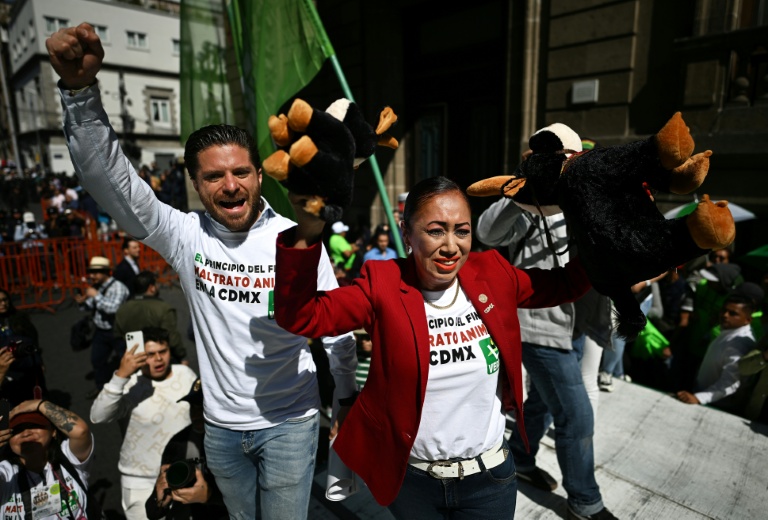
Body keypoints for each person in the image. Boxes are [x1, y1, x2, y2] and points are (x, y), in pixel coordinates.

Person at [48, 23, 356, 519]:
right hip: (219, 428)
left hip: (290, 424)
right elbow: (113, 187)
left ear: (259, 174)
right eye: (214, 176)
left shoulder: (297, 239)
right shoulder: (185, 234)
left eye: (240, 172)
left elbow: (336, 328)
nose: (230, 186)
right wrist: (80, 95)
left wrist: (345, 398)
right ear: (194, 183)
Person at [274, 176, 591, 517]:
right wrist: (306, 232)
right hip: (413, 485)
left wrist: (596, 216)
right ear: (407, 233)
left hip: (489, 483)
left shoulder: (493, 273)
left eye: (462, 230)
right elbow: (302, 317)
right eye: (436, 230)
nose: (452, 245)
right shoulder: (382, 283)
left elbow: (566, 284)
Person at [475, 184, 616, 519]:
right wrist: (523, 190)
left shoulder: (589, 200)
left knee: (541, 401)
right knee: (576, 415)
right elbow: (487, 232)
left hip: (577, 324)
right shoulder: (532, 207)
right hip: (541, 325)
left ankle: (521, 459)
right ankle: (585, 501)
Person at [90, 327, 197, 520]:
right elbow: (98, 416)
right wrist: (120, 376)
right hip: (141, 482)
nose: (158, 359)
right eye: (150, 354)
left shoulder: (185, 374)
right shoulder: (129, 384)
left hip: (182, 477)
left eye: (162, 352)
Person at [145, 378, 228, 520]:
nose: (196, 415)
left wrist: (209, 496)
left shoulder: (237, 442)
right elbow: (152, 513)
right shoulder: (178, 443)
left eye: (202, 407)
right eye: (193, 407)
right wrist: (159, 501)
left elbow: (253, 499)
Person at [0, 399, 94, 519]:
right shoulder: (6, 473)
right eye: (17, 430)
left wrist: (39, 404)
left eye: (34, 426)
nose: (26, 433)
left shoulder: (68, 459)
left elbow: (80, 431)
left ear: (54, 431)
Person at [676, 296, 756, 407]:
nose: (725, 315)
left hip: (713, 404)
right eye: (724, 310)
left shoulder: (739, 345)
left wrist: (699, 398)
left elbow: (730, 383)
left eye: (733, 313)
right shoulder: (730, 330)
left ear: (748, 320)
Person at [74, 255, 130, 398]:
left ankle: (129, 388)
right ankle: (101, 388)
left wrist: (96, 296)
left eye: (96, 272)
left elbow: (113, 309)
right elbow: (91, 307)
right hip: (101, 331)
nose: (92, 275)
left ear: (106, 272)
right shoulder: (97, 287)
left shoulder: (118, 287)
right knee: (97, 360)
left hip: (116, 331)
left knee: (126, 360)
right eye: (91, 272)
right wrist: (82, 302)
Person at [114, 270, 188, 364]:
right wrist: (182, 356)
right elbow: (172, 338)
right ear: (151, 288)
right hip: (159, 360)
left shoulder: (122, 309)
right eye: (156, 285)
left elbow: (117, 337)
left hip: (134, 359)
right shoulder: (164, 308)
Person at [0, 288, 46, 406]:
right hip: (7, 370)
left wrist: (39, 361)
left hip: (28, 365)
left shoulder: (20, 317)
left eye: (5, 300)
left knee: (37, 399)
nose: (3, 304)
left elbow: (34, 340)